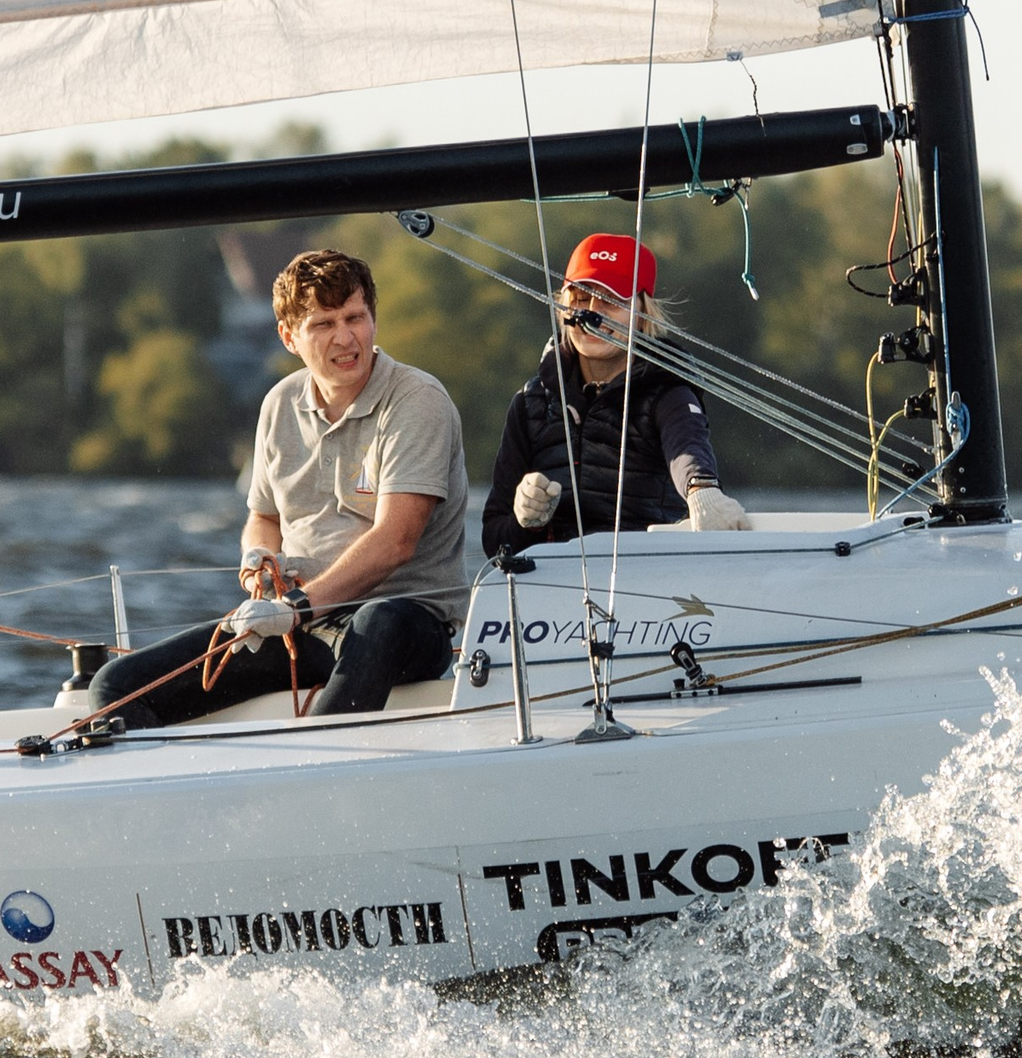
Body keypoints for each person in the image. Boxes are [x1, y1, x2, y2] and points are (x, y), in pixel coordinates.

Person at [94, 250, 467, 728]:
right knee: (115, 686)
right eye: (323, 324)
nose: (345, 337)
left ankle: (312, 779)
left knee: (381, 621)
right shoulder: (279, 403)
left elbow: (395, 541)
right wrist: (258, 564)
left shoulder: (417, 401)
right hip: (302, 625)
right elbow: (263, 517)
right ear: (289, 337)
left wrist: (296, 607)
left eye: (355, 318)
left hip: (403, 625)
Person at [482, 232, 746, 559]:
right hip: (552, 589)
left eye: (611, 300)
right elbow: (495, 542)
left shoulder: (668, 391)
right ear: (563, 305)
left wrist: (701, 489)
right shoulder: (529, 402)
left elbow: (686, 448)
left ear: (643, 311)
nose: (593, 313)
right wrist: (528, 521)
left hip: (646, 581)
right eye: (580, 297)